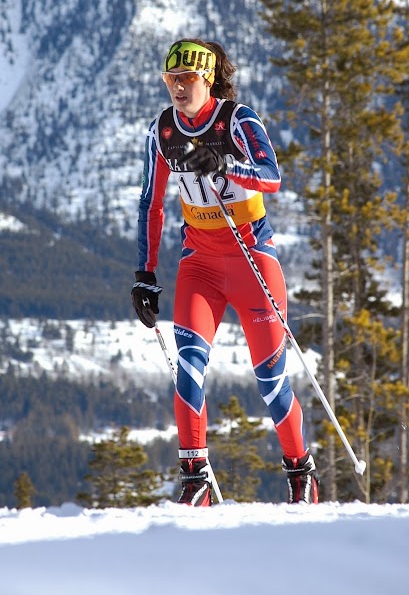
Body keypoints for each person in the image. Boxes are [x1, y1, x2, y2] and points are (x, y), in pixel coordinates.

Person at [131, 38, 319, 506]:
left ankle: (301, 472)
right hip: (201, 263)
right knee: (188, 370)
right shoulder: (162, 130)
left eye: (187, 79)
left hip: (252, 258)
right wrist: (144, 274)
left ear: (207, 79)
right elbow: (151, 205)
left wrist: (225, 164)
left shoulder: (237, 120)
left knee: (271, 383)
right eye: (170, 79)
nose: (177, 87)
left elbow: (272, 176)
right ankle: (195, 477)